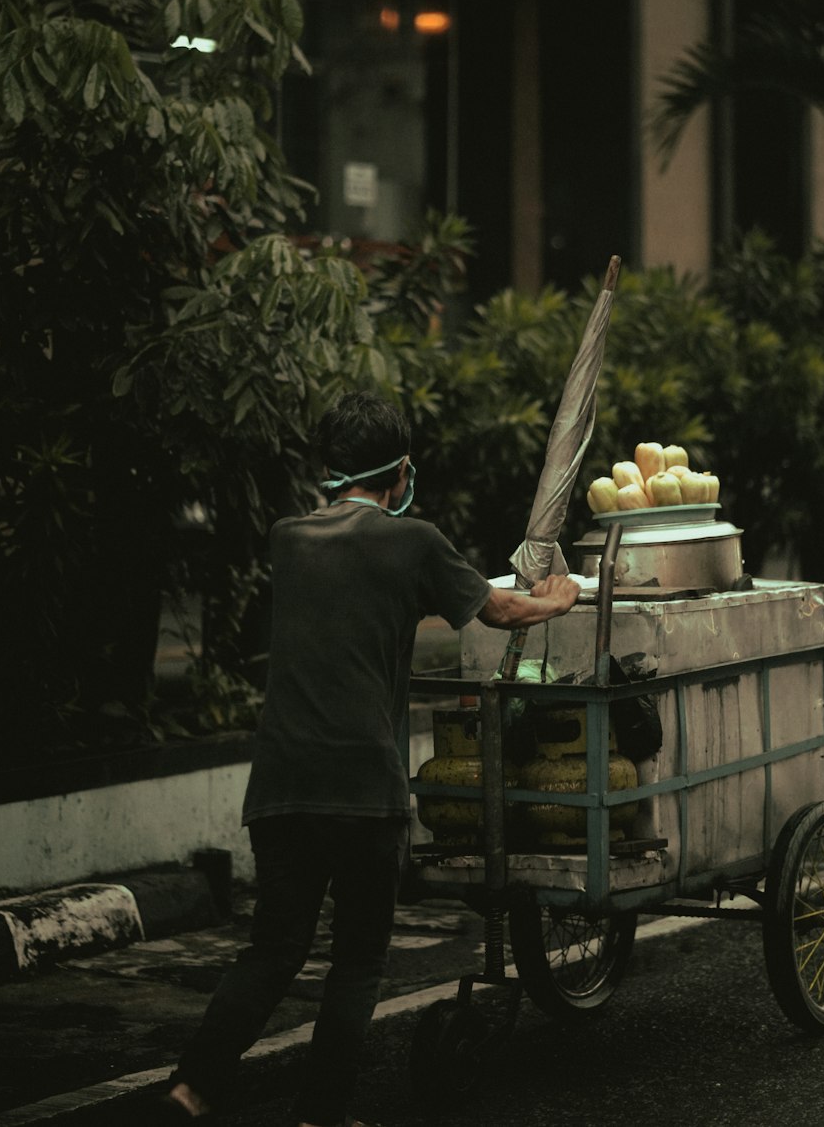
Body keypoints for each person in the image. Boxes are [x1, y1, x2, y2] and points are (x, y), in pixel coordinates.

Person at [151, 390, 581, 1127]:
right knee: (356, 960)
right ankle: (321, 1114)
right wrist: (560, 597)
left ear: (331, 469)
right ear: (401, 470)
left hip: (281, 786)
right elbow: (501, 608)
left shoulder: (287, 538)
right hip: (362, 787)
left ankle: (190, 1088)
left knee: (273, 949)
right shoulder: (411, 540)